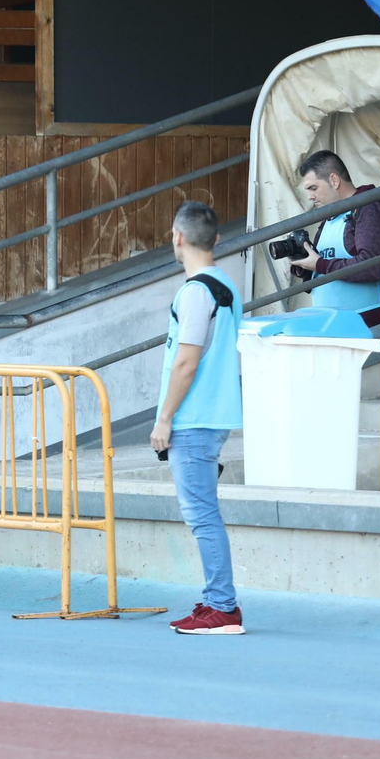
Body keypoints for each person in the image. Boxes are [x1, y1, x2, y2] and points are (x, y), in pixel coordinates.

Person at [153, 201, 244, 635]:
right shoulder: (226, 284)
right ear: (217, 240)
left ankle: (222, 607)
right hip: (217, 413)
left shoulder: (194, 292)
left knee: (202, 515)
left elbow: (186, 362)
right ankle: (216, 601)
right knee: (206, 512)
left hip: (192, 418)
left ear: (177, 237)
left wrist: (163, 419)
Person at [291, 150, 380, 327]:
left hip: (366, 321)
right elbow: (324, 268)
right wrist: (304, 265)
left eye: (313, 188)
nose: (310, 196)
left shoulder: (369, 210)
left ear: (334, 180)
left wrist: (320, 265)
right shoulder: (330, 218)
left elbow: (373, 267)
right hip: (332, 322)